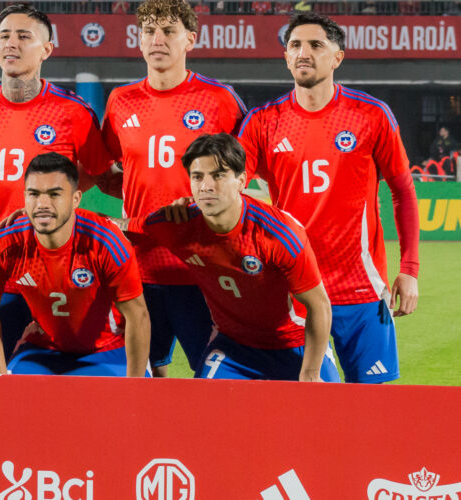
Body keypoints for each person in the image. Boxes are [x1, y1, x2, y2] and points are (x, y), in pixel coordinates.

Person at [237, 13, 419, 383]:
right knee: (310, 404)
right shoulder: (262, 122)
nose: (304, 53)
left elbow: (402, 191)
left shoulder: (372, 115)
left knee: (370, 402)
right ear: (286, 58)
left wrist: (409, 270)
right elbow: (230, 187)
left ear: (337, 57)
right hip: (294, 287)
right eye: (295, 46)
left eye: (316, 45)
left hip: (362, 287)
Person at [0, 4, 110, 372]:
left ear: (47, 49)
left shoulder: (74, 112)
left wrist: (57, 205)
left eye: (24, 36)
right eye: (4, 35)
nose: (11, 44)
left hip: (58, 271)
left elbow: (98, 171)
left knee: (59, 376)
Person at [99, 0, 246, 377]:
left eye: (168, 31)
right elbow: (105, 168)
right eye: (149, 31)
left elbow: (247, 176)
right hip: (137, 267)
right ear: (139, 40)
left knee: (214, 376)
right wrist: (139, 206)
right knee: (142, 377)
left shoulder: (220, 100)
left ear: (190, 39)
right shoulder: (120, 101)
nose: (157, 39)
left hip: (202, 269)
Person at [120, 134, 338, 381]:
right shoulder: (179, 223)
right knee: (204, 414)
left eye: (219, 175)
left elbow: (319, 306)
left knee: (326, 415)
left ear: (242, 180)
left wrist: (310, 373)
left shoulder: (278, 233)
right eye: (197, 176)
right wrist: (73, 217)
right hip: (233, 348)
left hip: (293, 344)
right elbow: (122, 228)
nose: (206, 186)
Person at [0, 153, 149, 376]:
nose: (42, 204)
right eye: (34, 194)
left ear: (76, 199)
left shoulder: (106, 242)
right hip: (44, 350)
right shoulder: (3, 243)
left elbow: (138, 316)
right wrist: (0, 377)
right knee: (14, 402)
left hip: (109, 349)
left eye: (55, 194)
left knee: (114, 408)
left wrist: (134, 388)